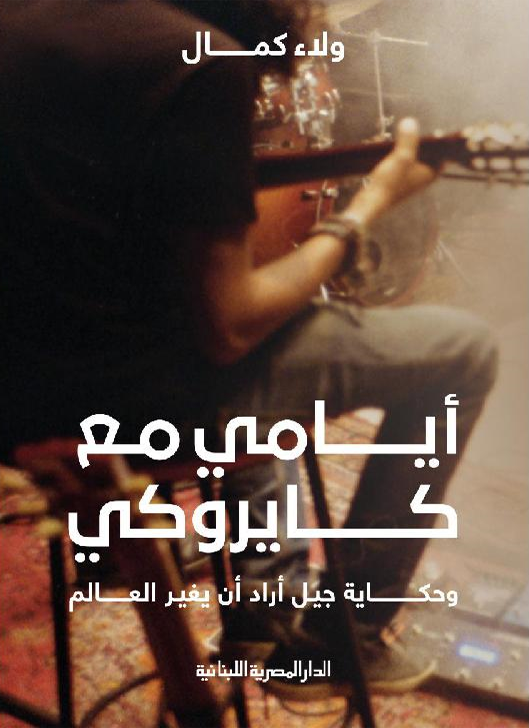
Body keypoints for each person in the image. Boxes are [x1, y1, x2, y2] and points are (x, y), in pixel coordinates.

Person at [0, 0, 497, 698]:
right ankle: (336, 639)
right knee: (461, 349)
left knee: (265, 350)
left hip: (18, 397)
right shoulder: (198, 59)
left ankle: (256, 605)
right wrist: (364, 211)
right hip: (125, 414)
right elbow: (229, 327)